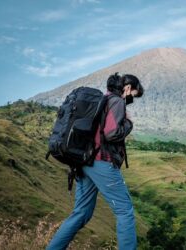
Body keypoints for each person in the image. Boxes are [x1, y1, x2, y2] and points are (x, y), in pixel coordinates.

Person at [47, 73, 144, 250]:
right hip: (102, 163)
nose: (131, 100)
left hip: (85, 163)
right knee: (125, 211)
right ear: (128, 88)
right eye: (133, 95)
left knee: (81, 213)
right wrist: (129, 123)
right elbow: (111, 133)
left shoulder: (103, 98)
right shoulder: (116, 101)